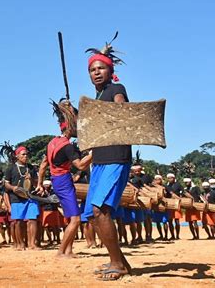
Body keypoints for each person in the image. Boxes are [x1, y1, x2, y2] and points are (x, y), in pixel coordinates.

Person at [81, 37, 133, 280]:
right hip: (99, 160)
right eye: (92, 70)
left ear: (111, 72)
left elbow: (120, 110)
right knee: (93, 215)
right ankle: (121, 262)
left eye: (101, 68)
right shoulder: (98, 97)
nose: (96, 72)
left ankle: (117, 264)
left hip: (115, 157)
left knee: (100, 209)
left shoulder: (115, 90)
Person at [37, 106, 93, 257]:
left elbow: (43, 165)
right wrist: (94, 154)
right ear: (69, 128)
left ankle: (68, 249)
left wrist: (39, 183)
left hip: (56, 180)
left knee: (71, 216)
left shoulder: (52, 143)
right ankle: (61, 251)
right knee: (75, 219)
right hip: (63, 182)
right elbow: (80, 165)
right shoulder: (68, 147)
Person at [4, 146, 40, 250]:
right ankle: (20, 244)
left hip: (30, 197)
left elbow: (37, 183)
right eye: (23, 154)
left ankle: (32, 244)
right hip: (16, 198)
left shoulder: (31, 168)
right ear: (17, 156)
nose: (26, 156)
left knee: (33, 219)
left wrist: (32, 179)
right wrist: (13, 188)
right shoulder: (11, 168)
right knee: (18, 222)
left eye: (27, 154)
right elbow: (6, 184)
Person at [165, 173, 184, 240]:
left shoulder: (178, 185)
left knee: (177, 221)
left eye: (171, 178)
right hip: (170, 205)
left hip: (177, 204)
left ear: (174, 178)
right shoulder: (167, 186)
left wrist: (180, 199)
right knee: (170, 221)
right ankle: (172, 235)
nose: (170, 179)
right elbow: (170, 194)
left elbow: (183, 192)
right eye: (169, 178)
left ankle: (177, 235)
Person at [150, 175, 169, 241]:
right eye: (156, 179)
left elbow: (167, 194)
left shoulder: (165, 187)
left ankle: (166, 236)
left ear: (161, 180)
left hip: (163, 206)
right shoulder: (152, 187)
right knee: (157, 222)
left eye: (159, 179)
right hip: (156, 206)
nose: (157, 181)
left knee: (164, 221)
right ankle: (161, 235)